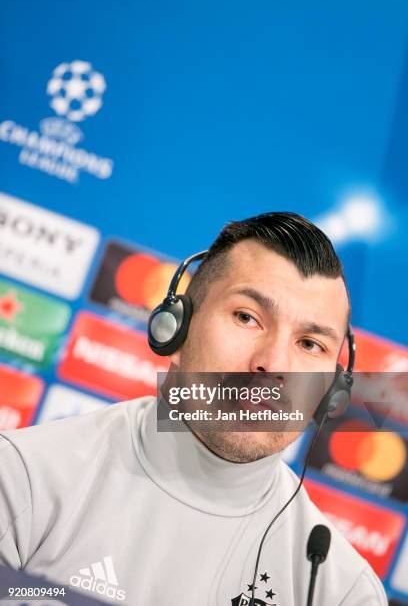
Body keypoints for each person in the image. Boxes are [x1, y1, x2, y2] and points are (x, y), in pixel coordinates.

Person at [0, 212, 387, 605]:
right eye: (247, 317)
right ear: (177, 330)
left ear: (330, 393)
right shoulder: (22, 482)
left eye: (309, 344)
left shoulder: (340, 591)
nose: (273, 363)